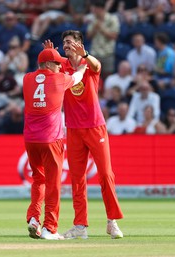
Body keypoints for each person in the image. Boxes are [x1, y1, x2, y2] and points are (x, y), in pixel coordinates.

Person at [50, 30, 124, 239]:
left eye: (70, 41)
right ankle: (80, 226)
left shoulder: (89, 63)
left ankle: (112, 222)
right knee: (77, 179)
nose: (66, 44)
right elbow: (48, 70)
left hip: (95, 126)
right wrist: (49, 55)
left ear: (80, 44)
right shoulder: (61, 65)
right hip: (72, 129)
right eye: (64, 42)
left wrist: (85, 54)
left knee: (106, 174)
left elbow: (97, 66)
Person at [23, 47, 86, 240]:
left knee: (38, 179)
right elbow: (77, 77)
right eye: (57, 63)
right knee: (53, 184)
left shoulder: (27, 78)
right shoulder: (59, 79)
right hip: (51, 139)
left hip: (31, 139)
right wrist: (83, 63)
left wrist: (48, 52)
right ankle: (50, 228)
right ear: (49, 65)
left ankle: (34, 217)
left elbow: (41, 73)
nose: (60, 66)